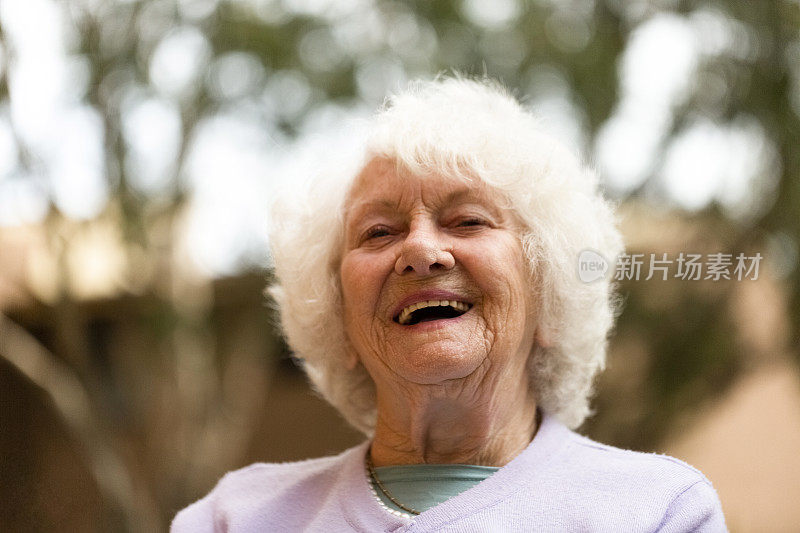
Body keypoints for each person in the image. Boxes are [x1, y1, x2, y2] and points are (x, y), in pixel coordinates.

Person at [171, 77, 727, 532]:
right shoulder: (234, 518)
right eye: (379, 232)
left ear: (549, 295)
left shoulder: (659, 512)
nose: (419, 250)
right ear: (337, 316)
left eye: (468, 220)